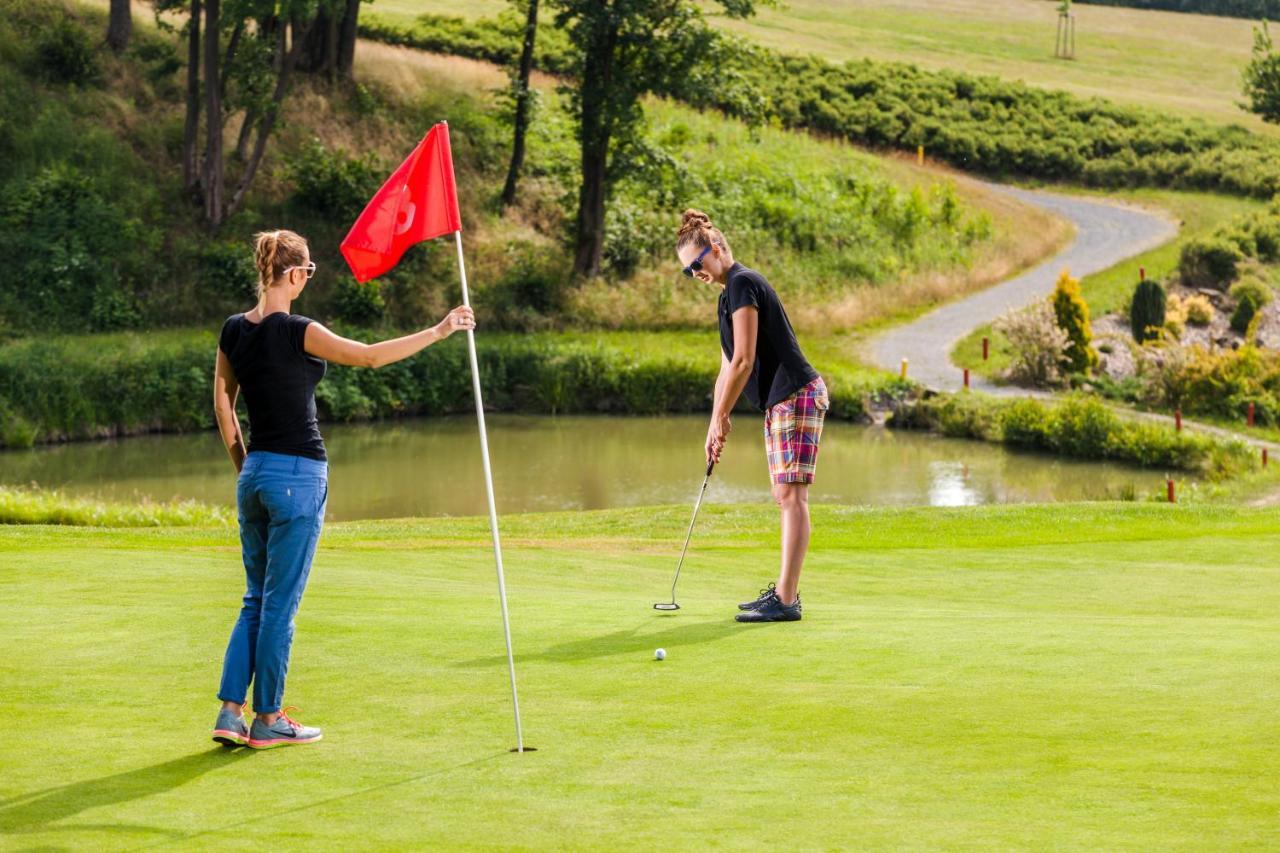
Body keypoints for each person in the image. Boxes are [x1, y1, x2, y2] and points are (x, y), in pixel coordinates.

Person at [210, 229, 475, 748]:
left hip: (256, 474)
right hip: (298, 476)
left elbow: (223, 405)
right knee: (280, 606)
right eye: (307, 272)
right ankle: (268, 719)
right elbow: (370, 356)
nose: (308, 279)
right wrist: (440, 329)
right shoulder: (297, 329)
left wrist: (245, 466)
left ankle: (229, 713)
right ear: (292, 274)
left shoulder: (233, 329)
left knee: (255, 600)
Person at [675, 210, 829, 623]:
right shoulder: (728, 296)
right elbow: (726, 367)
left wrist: (725, 415)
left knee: (791, 497)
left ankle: (786, 599)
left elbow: (745, 360)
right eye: (688, 271)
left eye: (697, 263)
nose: (695, 273)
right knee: (785, 496)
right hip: (782, 401)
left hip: (795, 393)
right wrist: (713, 423)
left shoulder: (742, 283)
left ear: (718, 249)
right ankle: (783, 594)